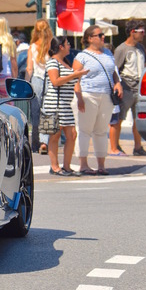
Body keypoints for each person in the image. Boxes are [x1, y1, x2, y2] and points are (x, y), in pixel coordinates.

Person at [71, 25, 123, 176]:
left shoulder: (107, 53)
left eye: (103, 35)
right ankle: (83, 164)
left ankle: (101, 164)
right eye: (99, 35)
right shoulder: (82, 57)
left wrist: (117, 83)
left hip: (105, 96)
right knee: (84, 130)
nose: (102, 37)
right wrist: (79, 97)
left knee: (101, 131)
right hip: (88, 95)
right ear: (89, 39)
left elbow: (113, 72)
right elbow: (75, 79)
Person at [43, 36, 89, 176]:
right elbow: (55, 81)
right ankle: (55, 166)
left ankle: (67, 166)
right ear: (61, 47)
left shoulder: (65, 62)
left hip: (65, 104)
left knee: (71, 135)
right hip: (53, 104)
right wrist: (75, 74)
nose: (69, 46)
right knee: (54, 135)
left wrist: (79, 93)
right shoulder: (52, 62)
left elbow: (71, 81)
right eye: (67, 44)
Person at [109, 19, 146, 156]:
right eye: (141, 32)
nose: (144, 35)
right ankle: (115, 146)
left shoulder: (140, 49)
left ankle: (138, 147)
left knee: (138, 119)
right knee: (119, 118)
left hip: (139, 88)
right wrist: (118, 85)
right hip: (126, 87)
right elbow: (115, 69)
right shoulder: (122, 49)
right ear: (133, 32)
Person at [25, 19, 53, 154]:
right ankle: (45, 142)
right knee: (49, 111)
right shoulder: (52, 46)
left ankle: (35, 143)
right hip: (50, 80)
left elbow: (29, 68)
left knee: (35, 113)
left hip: (36, 80)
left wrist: (25, 84)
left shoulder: (32, 47)